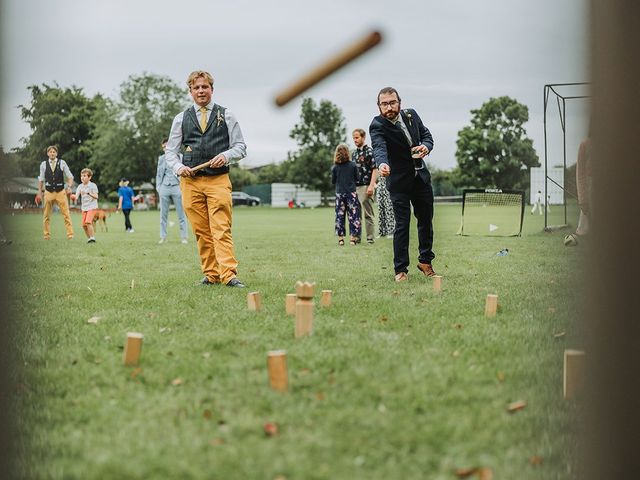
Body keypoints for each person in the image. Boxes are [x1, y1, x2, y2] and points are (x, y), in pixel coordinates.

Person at [165, 70, 247, 288]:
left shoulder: (227, 115)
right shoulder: (181, 118)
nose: (201, 91)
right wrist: (179, 167)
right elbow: (171, 152)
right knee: (201, 231)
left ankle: (229, 274)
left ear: (212, 89)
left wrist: (226, 155)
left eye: (205, 87)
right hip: (190, 183)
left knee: (221, 228)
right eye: (196, 88)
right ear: (190, 91)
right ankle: (211, 274)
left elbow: (240, 147)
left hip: (218, 180)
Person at [369, 87, 436, 282]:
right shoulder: (377, 125)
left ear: (399, 102)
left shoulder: (411, 115)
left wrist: (426, 146)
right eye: (384, 104)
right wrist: (382, 164)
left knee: (426, 221)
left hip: (421, 177)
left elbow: (426, 135)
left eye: (392, 102)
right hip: (398, 181)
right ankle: (401, 270)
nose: (389, 107)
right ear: (379, 106)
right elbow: (379, 147)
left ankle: (425, 261)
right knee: (402, 224)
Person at [35, 145, 74, 240]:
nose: (52, 153)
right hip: (48, 192)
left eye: (54, 152)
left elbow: (70, 177)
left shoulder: (62, 163)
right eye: (50, 152)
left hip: (61, 191)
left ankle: (70, 235)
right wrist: (39, 192)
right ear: (48, 153)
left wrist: (69, 187)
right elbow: (41, 179)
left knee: (66, 214)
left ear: (56, 153)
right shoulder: (43, 164)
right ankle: (46, 235)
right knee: (46, 215)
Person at [156, 138, 188, 244]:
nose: (165, 149)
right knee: (163, 215)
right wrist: (158, 188)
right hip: (164, 187)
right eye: (163, 147)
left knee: (181, 214)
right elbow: (158, 174)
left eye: (166, 146)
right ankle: (163, 237)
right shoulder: (161, 159)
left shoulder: (180, 157)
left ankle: (184, 237)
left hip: (177, 186)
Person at [331, 143, 361, 245]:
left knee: (340, 216)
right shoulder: (353, 165)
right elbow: (357, 178)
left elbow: (333, 181)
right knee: (353, 216)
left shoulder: (334, 167)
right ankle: (352, 239)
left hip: (340, 194)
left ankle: (341, 239)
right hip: (351, 194)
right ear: (348, 152)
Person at [352, 129, 377, 244]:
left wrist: (371, 186)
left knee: (368, 214)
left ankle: (370, 239)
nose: (355, 140)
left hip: (366, 186)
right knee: (356, 214)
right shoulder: (354, 153)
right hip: (355, 187)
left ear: (363, 137)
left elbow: (375, 169)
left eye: (357, 137)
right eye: (354, 138)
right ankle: (356, 238)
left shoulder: (370, 152)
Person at [70, 168, 99, 243]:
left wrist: (88, 193)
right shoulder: (80, 186)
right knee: (84, 225)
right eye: (81, 176)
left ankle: (93, 238)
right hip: (84, 208)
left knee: (88, 222)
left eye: (85, 176)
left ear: (89, 177)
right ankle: (89, 239)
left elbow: (96, 196)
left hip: (92, 207)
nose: (82, 177)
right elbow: (76, 197)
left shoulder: (93, 185)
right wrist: (73, 197)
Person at [575, 134, 592, 236]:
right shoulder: (585, 144)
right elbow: (580, 174)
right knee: (584, 232)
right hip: (590, 187)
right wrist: (582, 199)